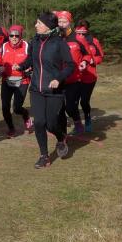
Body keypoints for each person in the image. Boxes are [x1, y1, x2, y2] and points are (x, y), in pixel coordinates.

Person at [15, 11, 74, 168]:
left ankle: (61, 138)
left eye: (39, 23)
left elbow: (70, 66)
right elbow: (30, 59)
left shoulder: (59, 43)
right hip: (36, 89)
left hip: (54, 91)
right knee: (39, 122)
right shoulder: (35, 41)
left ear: (48, 26)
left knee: (51, 124)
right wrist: (21, 66)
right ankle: (44, 156)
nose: (36, 25)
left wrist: (58, 79)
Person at [0, 24, 32, 137]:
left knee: (17, 108)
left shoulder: (27, 46)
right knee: (5, 107)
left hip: (22, 80)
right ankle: (11, 128)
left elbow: (31, 60)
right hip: (7, 80)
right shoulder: (4, 46)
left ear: (21, 36)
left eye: (17, 35)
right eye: (11, 35)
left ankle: (25, 115)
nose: (14, 38)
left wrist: (25, 68)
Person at [55, 10, 90, 135]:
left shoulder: (78, 38)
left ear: (70, 23)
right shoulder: (56, 39)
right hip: (59, 78)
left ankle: (77, 122)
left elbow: (87, 54)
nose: (61, 24)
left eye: (64, 21)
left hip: (74, 78)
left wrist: (84, 62)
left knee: (70, 107)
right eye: (59, 21)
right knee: (59, 108)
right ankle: (62, 133)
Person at [75, 20, 104, 132]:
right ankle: (77, 124)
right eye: (78, 33)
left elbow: (100, 57)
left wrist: (92, 60)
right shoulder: (71, 40)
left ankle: (87, 119)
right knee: (73, 102)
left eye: (83, 33)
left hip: (89, 77)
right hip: (74, 77)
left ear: (87, 32)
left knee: (84, 101)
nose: (81, 35)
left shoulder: (94, 41)